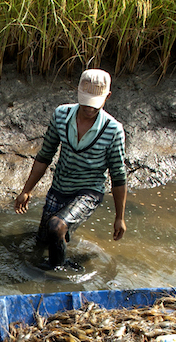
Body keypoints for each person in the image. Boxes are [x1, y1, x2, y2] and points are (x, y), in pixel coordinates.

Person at [14, 68, 127, 269]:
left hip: (88, 191)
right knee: (43, 239)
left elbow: (118, 176)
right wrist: (27, 190)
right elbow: (45, 155)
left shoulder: (113, 130)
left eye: (94, 104)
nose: (89, 108)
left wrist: (119, 217)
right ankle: (62, 243)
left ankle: (57, 272)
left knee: (56, 226)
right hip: (60, 187)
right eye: (85, 102)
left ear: (107, 97)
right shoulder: (61, 115)